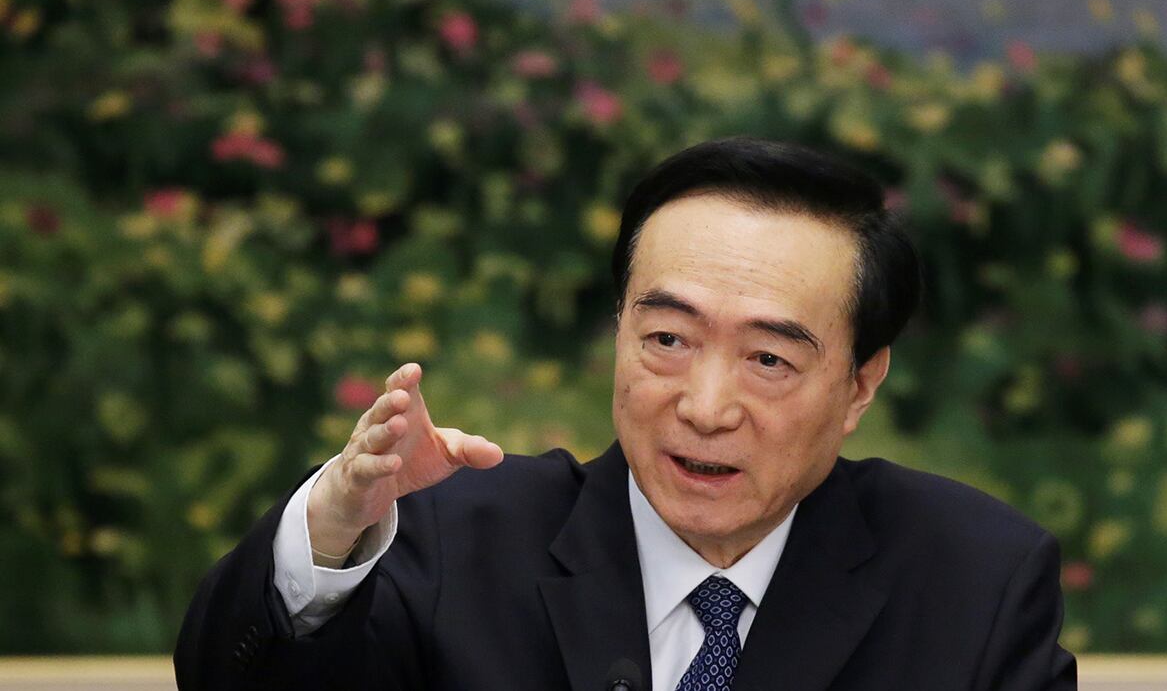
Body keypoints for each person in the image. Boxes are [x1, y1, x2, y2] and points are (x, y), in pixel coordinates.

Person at [175, 137, 1078, 690]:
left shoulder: (975, 581)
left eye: (768, 359)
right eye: (668, 340)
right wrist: (333, 530)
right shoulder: (450, 540)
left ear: (859, 385)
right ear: (619, 331)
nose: (705, 408)